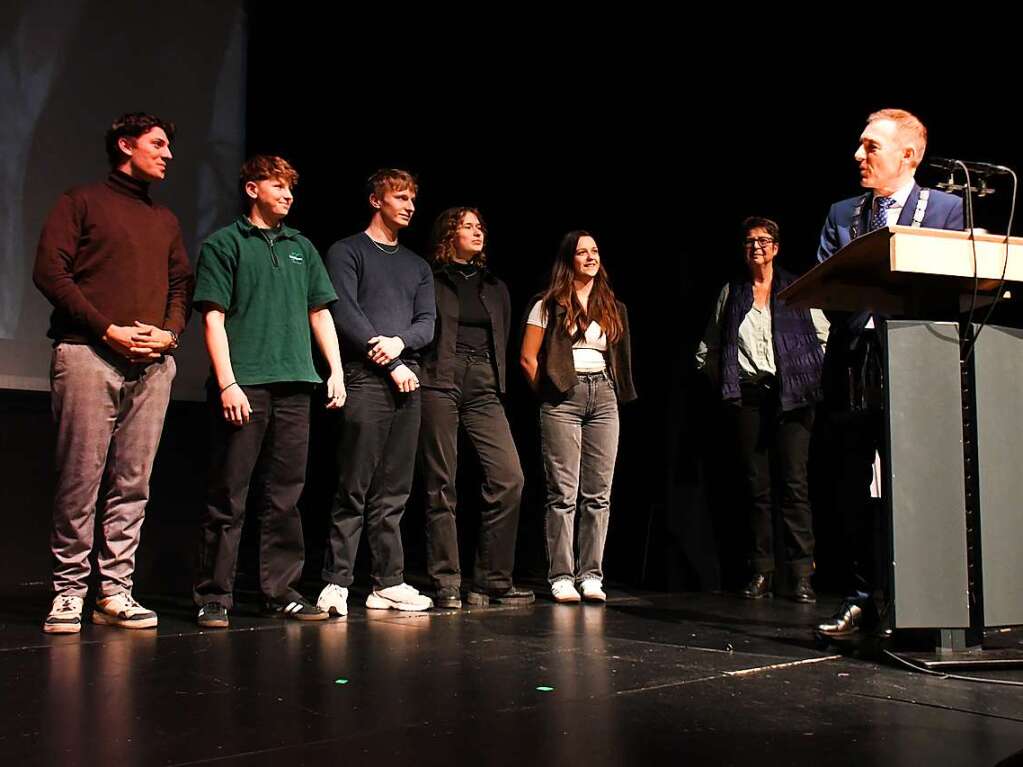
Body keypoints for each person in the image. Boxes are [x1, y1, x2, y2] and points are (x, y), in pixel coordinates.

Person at [33, 112, 194, 633]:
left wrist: (169, 336)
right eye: (158, 143)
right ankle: (67, 592)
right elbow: (50, 273)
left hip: (151, 365)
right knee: (80, 479)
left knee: (133, 482)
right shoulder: (81, 201)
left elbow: (180, 287)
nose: (168, 154)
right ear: (126, 145)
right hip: (87, 354)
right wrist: (107, 330)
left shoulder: (165, 220)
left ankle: (114, 590)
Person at [815, 108, 964, 638]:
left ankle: (922, 601)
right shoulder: (842, 213)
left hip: (920, 363)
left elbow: (953, 289)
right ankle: (861, 599)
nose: (859, 156)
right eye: (860, 145)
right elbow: (827, 288)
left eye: (870, 146)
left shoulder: (947, 208)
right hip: (855, 365)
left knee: (916, 480)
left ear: (909, 154)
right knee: (852, 488)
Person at [192, 155, 344, 627]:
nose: (288, 195)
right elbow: (213, 317)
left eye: (291, 188)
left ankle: (280, 591)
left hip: (297, 384)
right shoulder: (225, 243)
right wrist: (228, 383)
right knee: (230, 494)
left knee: (285, 495)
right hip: (246, 385)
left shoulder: (302, 246)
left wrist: (334, 370)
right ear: (252, 189)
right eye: (277, 186)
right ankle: (215, 595)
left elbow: (319, 312)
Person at [318, 169, 436, 615]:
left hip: (408, 380)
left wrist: (401, 348)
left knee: (395, 489)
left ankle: (388, 582)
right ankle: (336, 582)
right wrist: (389, 362)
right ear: (375, 200)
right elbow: (344, 312)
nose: (409, 206)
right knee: (354, 484)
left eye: (412, 198)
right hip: (367, 377)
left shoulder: (417, 265)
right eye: (400, 197)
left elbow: (427, 322)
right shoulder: (347, 251)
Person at [697, 217, 828, 603]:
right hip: (751, 397)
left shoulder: (796, 286)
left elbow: (823, 335)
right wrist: (727, 383)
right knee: (757, 488)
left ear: (776, 247)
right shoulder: (732, 292)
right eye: (750, 241)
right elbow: (708, 349)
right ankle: (761, 571)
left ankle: (802, 574)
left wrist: (807, 374)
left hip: (793, 396)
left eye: (765, 240)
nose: (757, 247)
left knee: (794, 485)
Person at [418, 207, 532, 609]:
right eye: (467, 226)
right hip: (439, 379)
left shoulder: (495, 285)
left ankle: (491, 580)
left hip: (484, 383)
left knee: (509, 478)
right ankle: (446, 580)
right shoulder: (429, 279)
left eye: (480, 225)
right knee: (442, 482)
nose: (477, 231)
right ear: (449, 233)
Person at [520, 230, 636, 603]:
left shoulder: (612, 306)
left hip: (603, 395)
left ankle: (591, 575)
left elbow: (620, 358)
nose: (590, 257)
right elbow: (528, 358)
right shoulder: (548, 304)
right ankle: (561, 575)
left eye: (595, 251)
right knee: (563, 492)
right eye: (582, 252)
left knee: (598, 494)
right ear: (568, 259)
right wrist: (551, 393)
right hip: (563, 398)